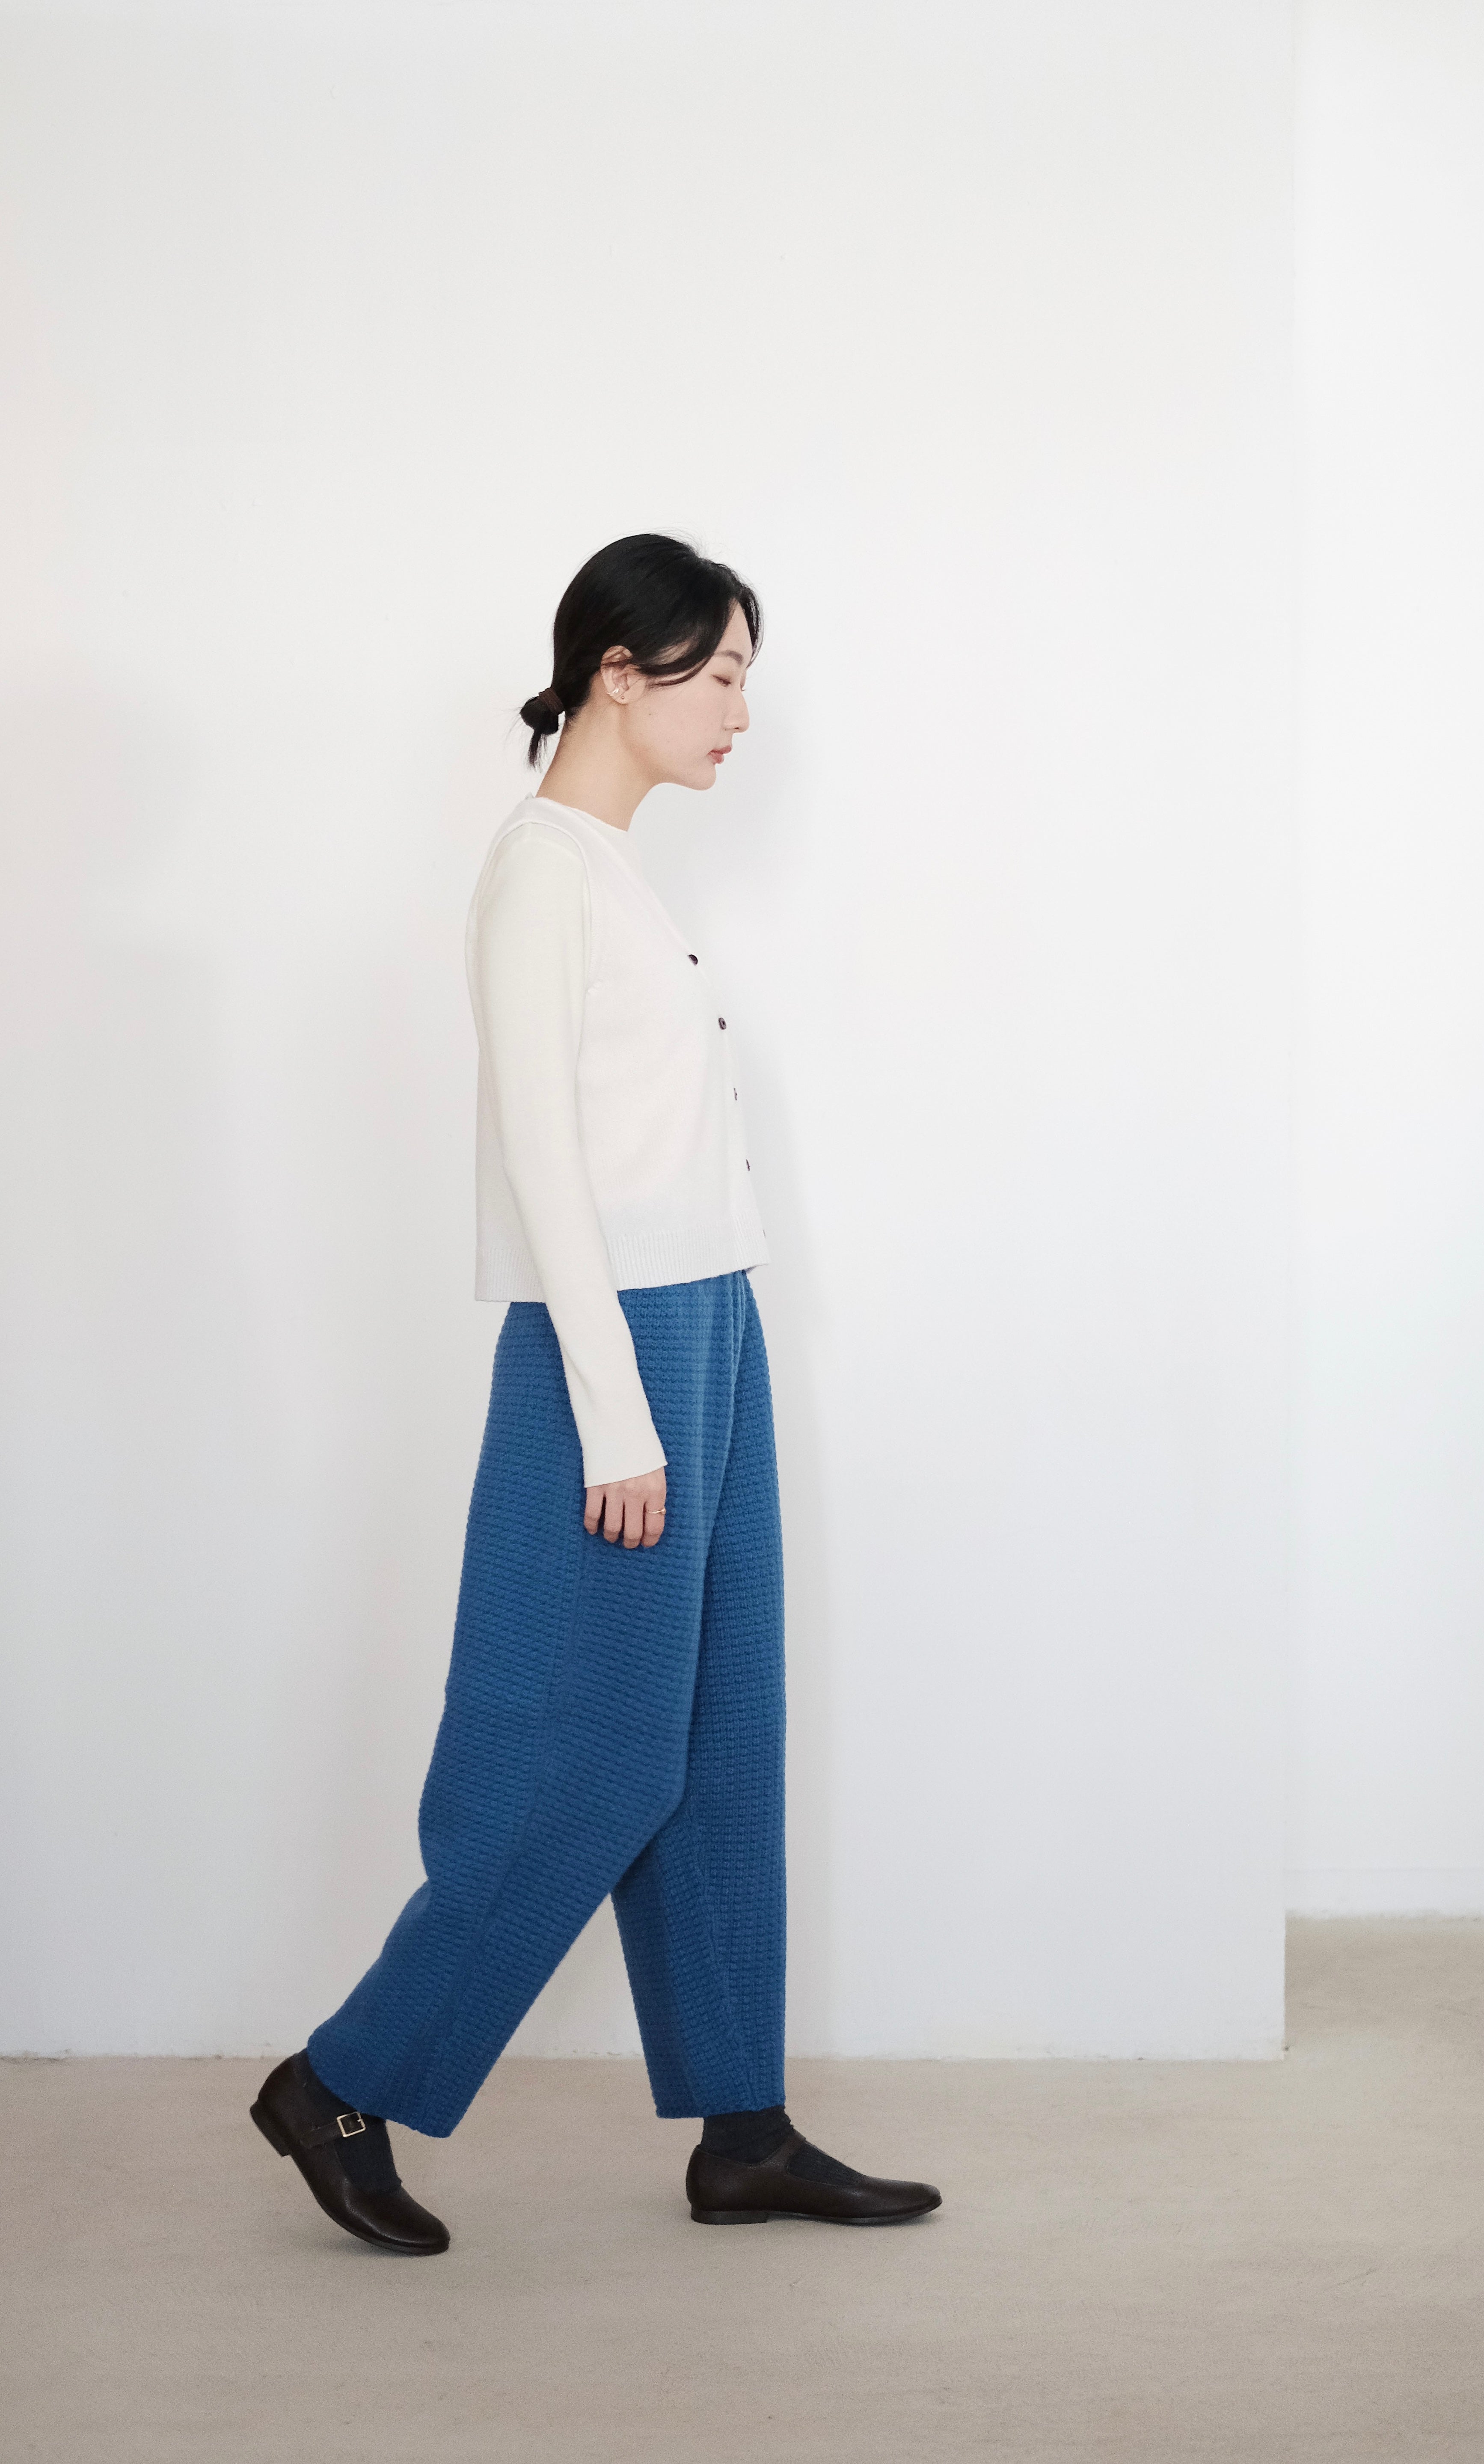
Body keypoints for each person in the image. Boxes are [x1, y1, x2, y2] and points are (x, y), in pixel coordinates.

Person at [250, 534, 941, 2253]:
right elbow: (542, 1161)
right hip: (610, 1351)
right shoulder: (542, 872)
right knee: (590, 1758)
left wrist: (706, 1358)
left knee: (721, 1738)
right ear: (618, 673)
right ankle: (343, 2079)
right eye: (722, 675)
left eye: (751, 678)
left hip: (712, 1328)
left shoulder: (619, 873)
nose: (743, 714)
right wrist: (616, 1415)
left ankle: (743, 2129)